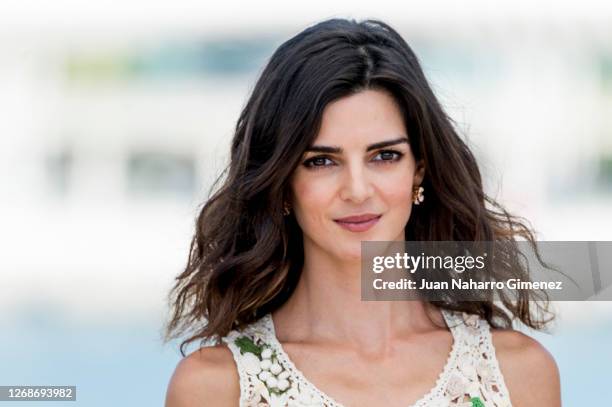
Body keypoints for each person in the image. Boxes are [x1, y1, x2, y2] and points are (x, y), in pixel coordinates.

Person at [163, 18, 561, 407]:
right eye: (321, 161)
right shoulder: (216, 389)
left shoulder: (517, 376)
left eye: (385, 156)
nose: (356, 190)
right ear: (282, 183)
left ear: (418, 170)